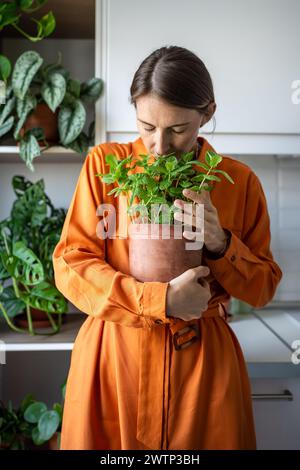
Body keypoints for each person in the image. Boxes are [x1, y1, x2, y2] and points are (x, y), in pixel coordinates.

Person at [52, 46, 282, 450]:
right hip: (114, 359)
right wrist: (157, 300)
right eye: (146, 126)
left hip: (204, 370)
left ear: (207, 113)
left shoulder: (238, 182)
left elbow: (262, 288)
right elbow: (72, 266)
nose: (160, 145)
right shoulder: (106, 167)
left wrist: (220, 242)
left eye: (177, 129)